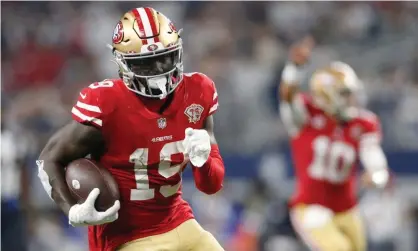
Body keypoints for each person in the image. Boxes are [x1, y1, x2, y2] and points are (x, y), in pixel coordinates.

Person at [37, 7, 225, 251]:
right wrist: (71, 209)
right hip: (126, 238)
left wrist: (204, 161)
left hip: (179, 221)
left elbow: (211, 186)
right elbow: (49, 158)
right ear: (123, 64)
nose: (159, 70)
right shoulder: (107, 105)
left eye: (164, 58)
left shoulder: (198, 92)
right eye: (147, 63)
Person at [278, 36, 391, 251]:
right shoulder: (307, 116)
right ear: (326, 93)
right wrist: (294, 68)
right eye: (345, 94)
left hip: (347, 207)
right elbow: (287, 97)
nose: (352, 100)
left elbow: (374, 158)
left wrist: (377, 176)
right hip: (311, 206)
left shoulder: (363, 123)